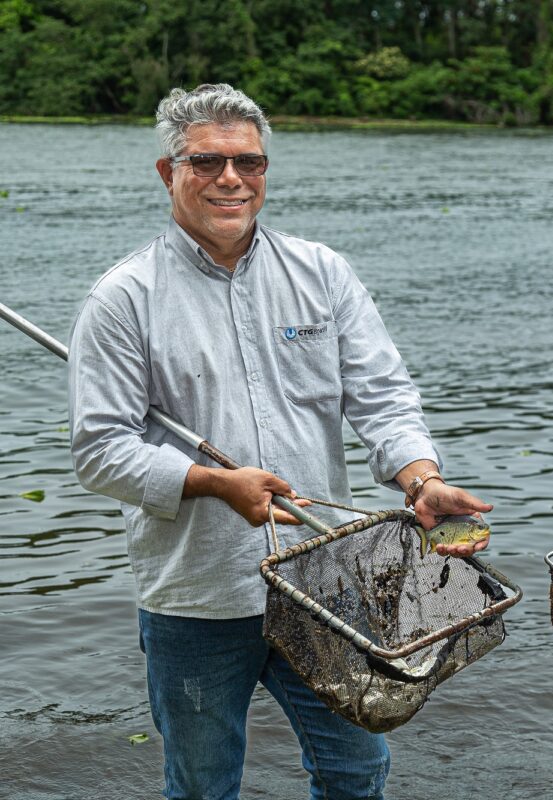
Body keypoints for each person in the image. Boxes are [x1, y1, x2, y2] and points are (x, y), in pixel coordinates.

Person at [68, 84, 491, 800]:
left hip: (328, 582)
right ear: (168, 173)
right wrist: (210, 482)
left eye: (249, 163)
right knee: (203, 785)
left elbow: (382, 396)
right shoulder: (124, 298)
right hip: (197, 595)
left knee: (357, 771)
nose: (231, 179)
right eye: (207, 162)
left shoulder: (323, 273)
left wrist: (421, 480)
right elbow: (100, 449)